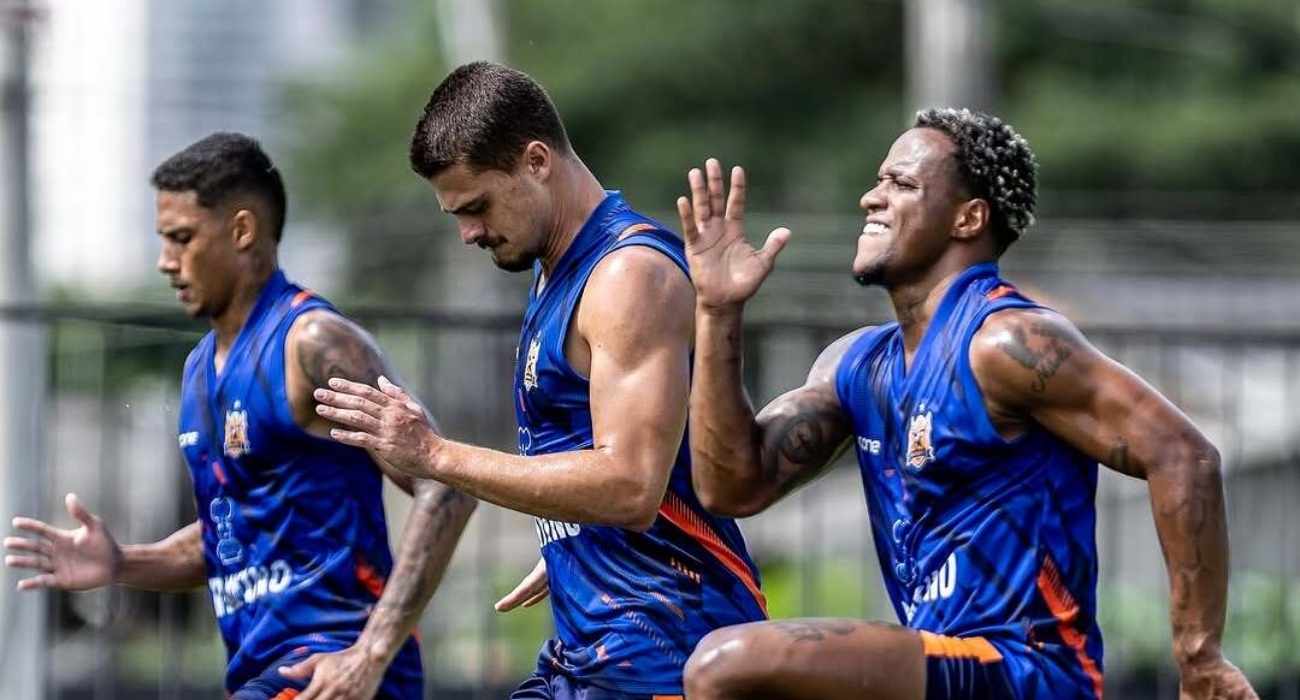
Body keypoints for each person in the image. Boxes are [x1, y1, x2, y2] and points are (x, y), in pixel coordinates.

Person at [673, 109, 1258, 699]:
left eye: (900, 184)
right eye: (878, 181)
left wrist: (1199, 658)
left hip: (1025, 670)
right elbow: (733, 488)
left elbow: (1185, 455)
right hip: (942, 661)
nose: (870, 199)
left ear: (968, 217)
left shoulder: (1006, 343)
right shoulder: (856, 365)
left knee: (725, 664)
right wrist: (718, 310)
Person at [312, 61, 767, 699]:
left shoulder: (625, 276)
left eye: (476, 207)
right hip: (593, 651)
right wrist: (573, 541)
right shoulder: (555, 269)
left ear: (535, 161)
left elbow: (631, 486)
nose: (468, 232)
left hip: (666, 651)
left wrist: (434, 455)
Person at [3, 133, 475, 700]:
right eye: (162, 241)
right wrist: (123, 561)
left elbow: (445, 489)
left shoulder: (314, 343)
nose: (165, 262)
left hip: (330, 669)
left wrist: (369, 654)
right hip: (261, 674)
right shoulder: (199, 368)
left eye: (181, 239)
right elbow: (232, 533)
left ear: (242, 231)